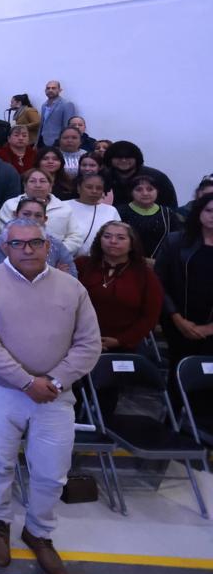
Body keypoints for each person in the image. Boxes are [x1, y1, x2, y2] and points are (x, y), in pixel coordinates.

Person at [0, 218, 101, 574]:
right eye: (18, 243)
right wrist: (26, 381)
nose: (27, 249)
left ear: (48, 246)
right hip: (2, 390)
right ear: (5, 248)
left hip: (55, 394)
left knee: (52, 472)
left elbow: (89, 343)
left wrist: (53, 381)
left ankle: (39, 532)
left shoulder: (72, 288)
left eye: (35, 243)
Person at [155, 193, 213, 416]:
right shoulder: (175, 241)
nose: (212, 216)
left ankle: (201, 425)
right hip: (178, 321)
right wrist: (177, 319)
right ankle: (172, 422)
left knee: (206, 381)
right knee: (178, 373)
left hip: (211, 327)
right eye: (208, 211)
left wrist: (209, 328)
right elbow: (159, 283)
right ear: (199, 212)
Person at [76, 221, 163, 354]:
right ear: (99, 240)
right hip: (81, 340)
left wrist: (120, 340)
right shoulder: (81, 265)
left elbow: (150, 316)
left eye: (121, 238)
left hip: (127, 345)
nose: (113, 241)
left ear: (132, 244)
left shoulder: (145, 275)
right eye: (107, 236)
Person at [0, 168, 88, 255]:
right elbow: (5, 235)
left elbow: (75, 236)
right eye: (32, 181)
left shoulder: (64, 208)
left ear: (50, 186)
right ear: (25, 186)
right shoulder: (11, 205)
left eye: (43, 181)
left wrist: (54, 253)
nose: (38, 185)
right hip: (19, 256)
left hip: (57, 259)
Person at [0, 197, 78, 278]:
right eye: (26, 214)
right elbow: (3, 276)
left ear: (45, 219)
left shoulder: (55, 243)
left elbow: (72, 276)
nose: (32, 218)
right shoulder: (2, 241)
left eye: (38, 215)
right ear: (15, 215)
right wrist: (54, 275)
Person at [102, 140, 178, 210]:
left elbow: (170, 207)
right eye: (118, 157)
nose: (123, 160)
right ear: (110, 159)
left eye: (128, 157)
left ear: (137, 158)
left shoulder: (157, 177)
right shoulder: (102, 178)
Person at [119, 173, 178, 260]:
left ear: (157, 191)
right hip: (127, 261)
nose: (145, 193)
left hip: (160, 263)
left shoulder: (168, 214)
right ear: (131, 192)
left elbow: (175, 242)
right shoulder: (120, 212)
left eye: (150, 189)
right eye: (139, 189)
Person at [67, 171, 122, 257]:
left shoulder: (111, 210)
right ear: (79, 188)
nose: (94, 191)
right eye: (89, 187)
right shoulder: (63, 206)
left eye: (99, 188)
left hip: (99, 259)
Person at [38, 80, 77, 148]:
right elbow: (42, 125)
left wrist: (64, 142)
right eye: (48, 88)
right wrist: (37, 142)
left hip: (57, 142)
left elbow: (68, 126)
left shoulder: (67, 104)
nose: (50, 90)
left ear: (60, 90)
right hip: (42, 141)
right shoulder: (44, 105)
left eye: (53, 88)